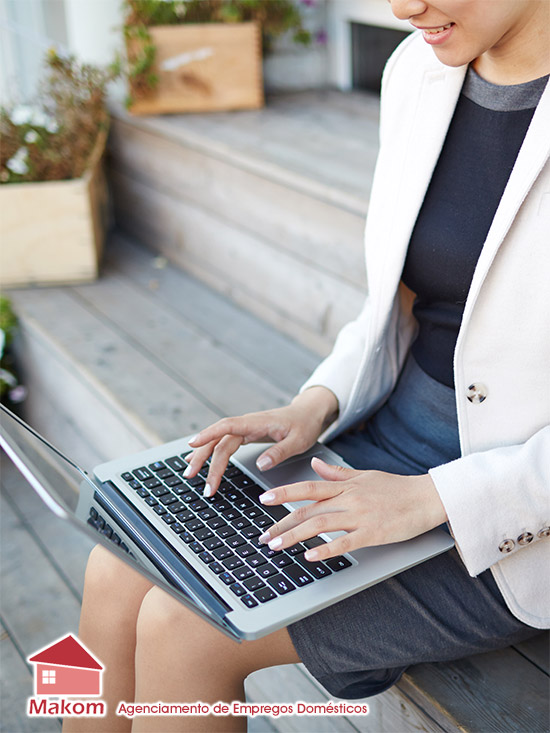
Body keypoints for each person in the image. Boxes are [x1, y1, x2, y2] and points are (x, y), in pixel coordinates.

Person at [65, 1, 550, 731]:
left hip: (516, 507)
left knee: (184, 628)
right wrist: (315, 403)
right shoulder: (418, 69)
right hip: (389, 440)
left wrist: (435, 500)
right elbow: (400, 303)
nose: (401, 7)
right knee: (118, 561)